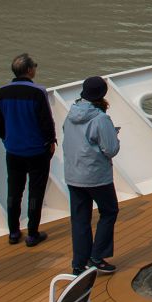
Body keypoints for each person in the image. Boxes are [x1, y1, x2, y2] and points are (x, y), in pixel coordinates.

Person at [0, 53, 56, 246]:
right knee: (35, 191)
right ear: (29, 70)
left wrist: (7, 139)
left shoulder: (2, 93)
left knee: (14, 190)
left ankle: (13, 232)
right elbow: (46, 122)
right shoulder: (38, 92)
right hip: (37, 150)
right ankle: (32, 234)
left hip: (13, 150)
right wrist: (50, 141)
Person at [63, 76, 121, 275]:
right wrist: (115, 135)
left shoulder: (70, 113)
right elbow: (111, 149)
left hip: (73, 174)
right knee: (109, 211)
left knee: (80, 219)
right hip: (95, 175)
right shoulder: (100, 118)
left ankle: (79, 264)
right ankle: (97, 256)